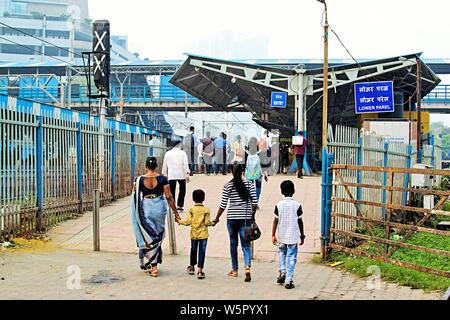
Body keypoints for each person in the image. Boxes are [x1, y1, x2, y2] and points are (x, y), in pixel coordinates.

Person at [130, 157, 180, 277]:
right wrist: (175, 212)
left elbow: (134, 197)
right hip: (159, 209)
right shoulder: (163, 179)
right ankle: (154, 262)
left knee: (149, 237)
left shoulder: (139, 180)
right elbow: (169, 197)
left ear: (145, 166)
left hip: (146, 209)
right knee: (157, 235)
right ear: (156, 166)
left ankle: (154, 267)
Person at [212, 163, 258, 282]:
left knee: (233, 244)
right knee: (245, 245)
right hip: (245, 219)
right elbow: (254, 203)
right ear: (243, 170)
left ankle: (235, 270)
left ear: (231, 171)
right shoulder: (249, 184)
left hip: (232, 218)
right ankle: (247, 267)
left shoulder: (228, 186)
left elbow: (223, 205)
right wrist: (252, 217)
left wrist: (216, 218)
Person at [272, 180, 306, 289]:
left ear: (281, 191)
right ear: (294, 191)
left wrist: (273, 235)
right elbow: (300, 221)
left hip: (281, 235)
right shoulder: (297, 205)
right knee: (291, 258)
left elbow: (275, 220)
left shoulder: (278, 205)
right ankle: (289, 280)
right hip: (293, 236)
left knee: (282, 253)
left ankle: (282, 272)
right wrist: (302, 235)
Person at [177, 189, 214, 280]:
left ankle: (192, 267)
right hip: (203, 234)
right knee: (202, 251)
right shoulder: (206, 210)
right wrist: (213, 223)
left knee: (193, 250)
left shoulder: (191, 210)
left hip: (194, 234)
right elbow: (207, 222)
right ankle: (200, 270)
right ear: (204, 198)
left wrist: (179, 221)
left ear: (193, 199)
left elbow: (188, 222)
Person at [162, 141, 190, 211]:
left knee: (171, 190)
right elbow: (185, 164)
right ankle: (180, 205)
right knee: (182, 189)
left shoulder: (168, 153)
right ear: (179, 145)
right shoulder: (183, 153)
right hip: (181, 174)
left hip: (171, 175)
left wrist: (164, 174)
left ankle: (172, 205)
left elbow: (164, 164)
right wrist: (187, 173)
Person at [245, 137, 268, 201]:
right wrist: (265, 174)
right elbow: (263, 164)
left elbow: (243, 165)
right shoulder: (260, 153)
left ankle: (251, 201)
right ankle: (256, 201)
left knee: (250, 188)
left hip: (249, 174)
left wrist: (243, 173)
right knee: (258, 187)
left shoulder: (246, 153)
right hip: (258, 174)